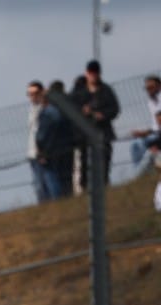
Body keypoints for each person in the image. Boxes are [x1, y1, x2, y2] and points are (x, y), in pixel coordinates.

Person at [76, 59, 121, 190]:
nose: (93, 75)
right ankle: (84, 188)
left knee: (104, 162)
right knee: (84, 164)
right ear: (86, 73)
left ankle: (104, 186)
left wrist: (102, 115)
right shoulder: (80, 93)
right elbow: (73, 111)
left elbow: (115, 109)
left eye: (95, 73)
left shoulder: (106, 90)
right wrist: (83, 112)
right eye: (91, 73)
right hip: (85, 135)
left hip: (103, 132)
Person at [35, 84, 73, 201]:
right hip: (66, 146)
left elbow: (42, 134)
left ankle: (59, 201)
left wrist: (40, 150)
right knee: (66, 176)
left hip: (50, 150)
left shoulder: (46, 113)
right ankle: (69, 199)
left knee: (51, 176)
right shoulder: (65, 110)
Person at [27, 81, 53, 202]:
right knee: (38, 185)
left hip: (43, 151)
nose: (32, 97)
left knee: (46, 183)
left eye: (35, 93)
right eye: (30, 94)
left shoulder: (46, 109)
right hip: (32, 152)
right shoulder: (31, 110)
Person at [129, 76, 161, 173]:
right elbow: (156, 126)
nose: (149, 91)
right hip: (156, 133)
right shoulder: (151, 102)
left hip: (158, 134)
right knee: (137, 144)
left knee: (139, 145)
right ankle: (140, 172)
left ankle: (137, 172)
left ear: (159, 86)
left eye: (151, 87)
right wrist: (143, 133)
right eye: (147, 88)